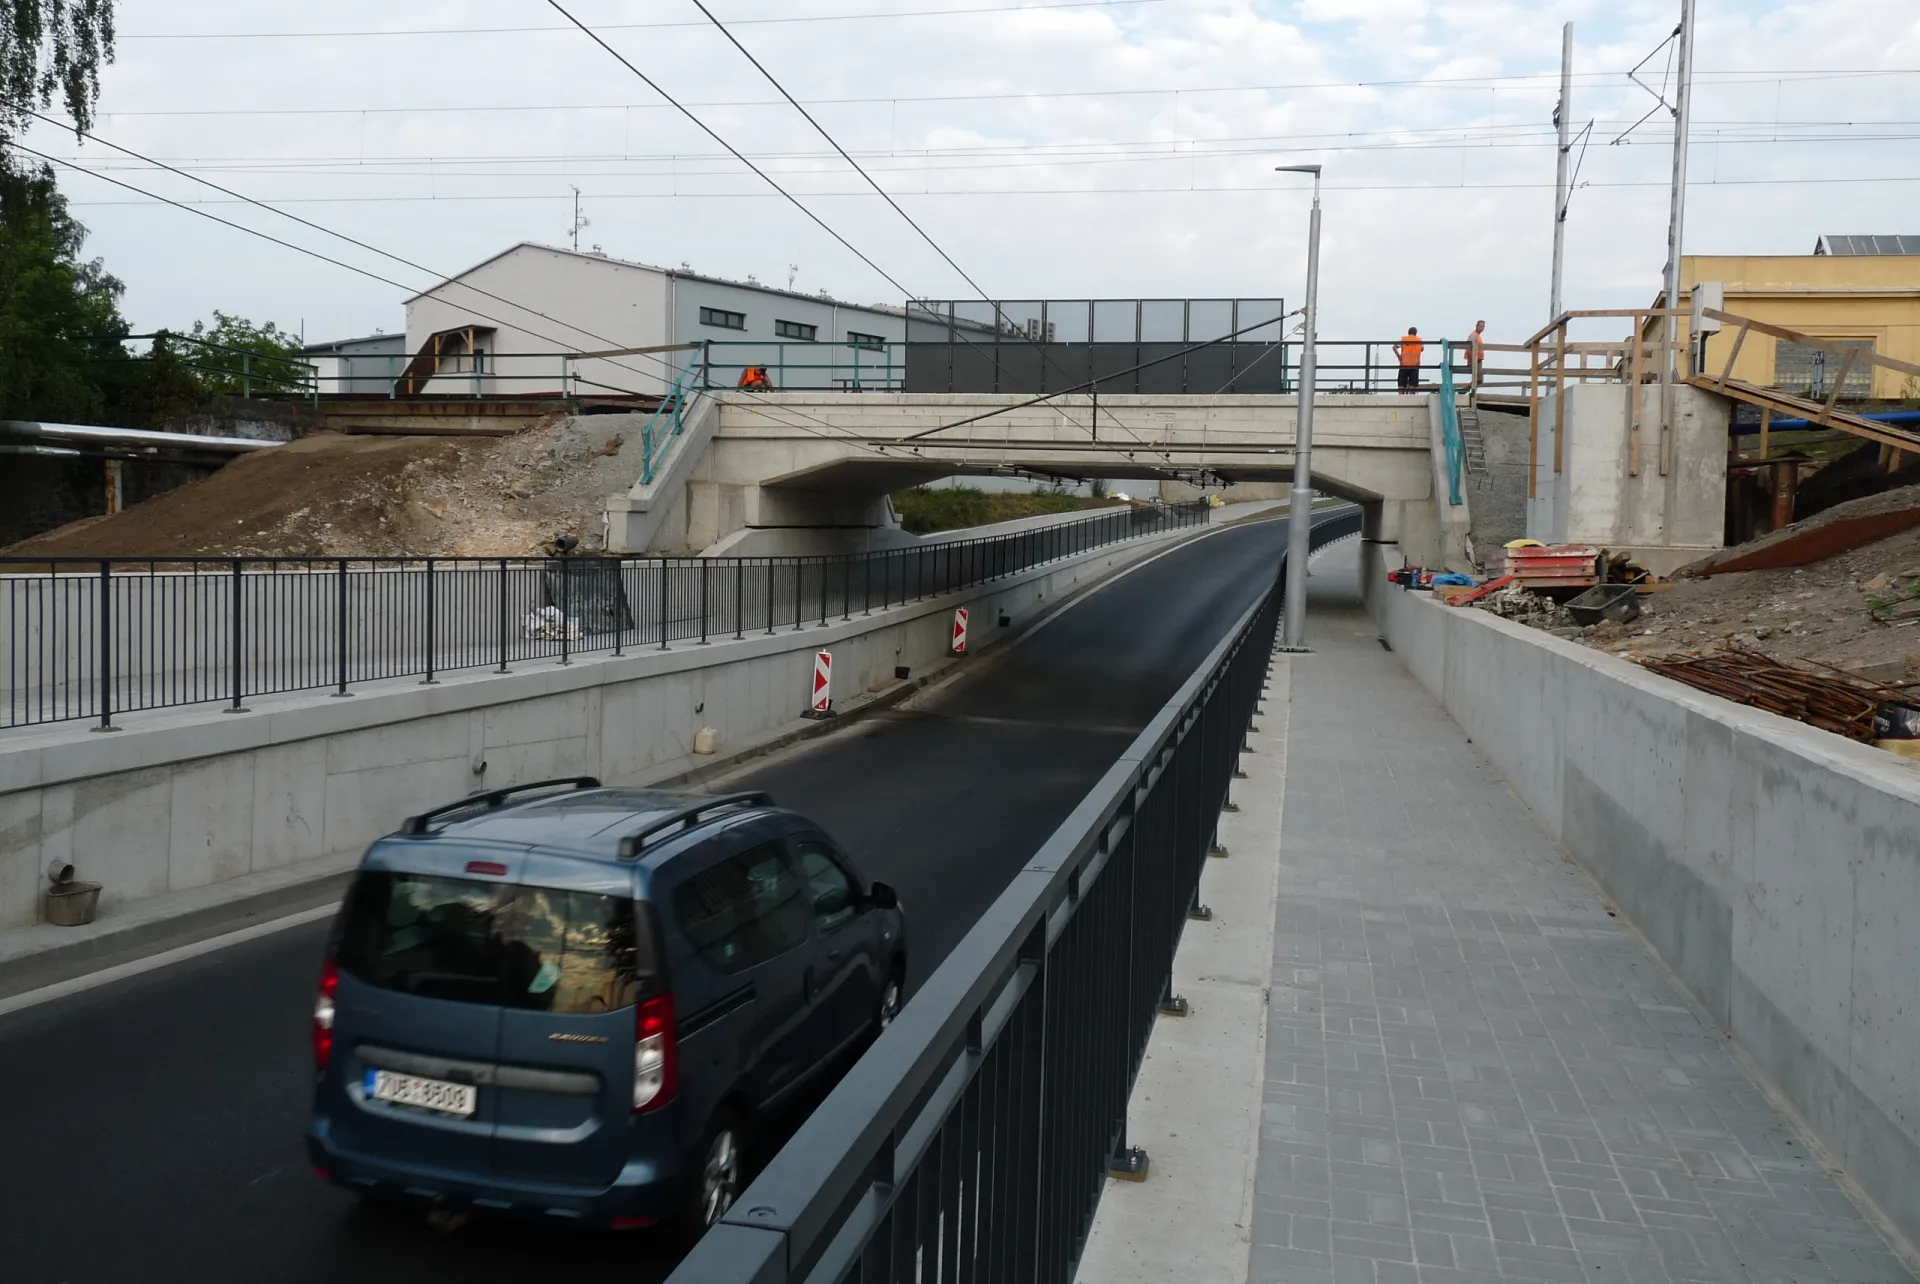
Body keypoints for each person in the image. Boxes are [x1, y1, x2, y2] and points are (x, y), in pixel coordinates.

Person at [1393, 326, 1424, 394]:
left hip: (1404, 364)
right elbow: (1422, 349)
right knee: (1413, 384)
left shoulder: (1404, 339)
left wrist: (1399, 356)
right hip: (1415, 365)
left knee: (1401, 384)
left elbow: (1394, 347)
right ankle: (1411, 397)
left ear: (1408, 332)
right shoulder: (1419, 340)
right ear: (1416, 333)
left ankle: (1401, 397)